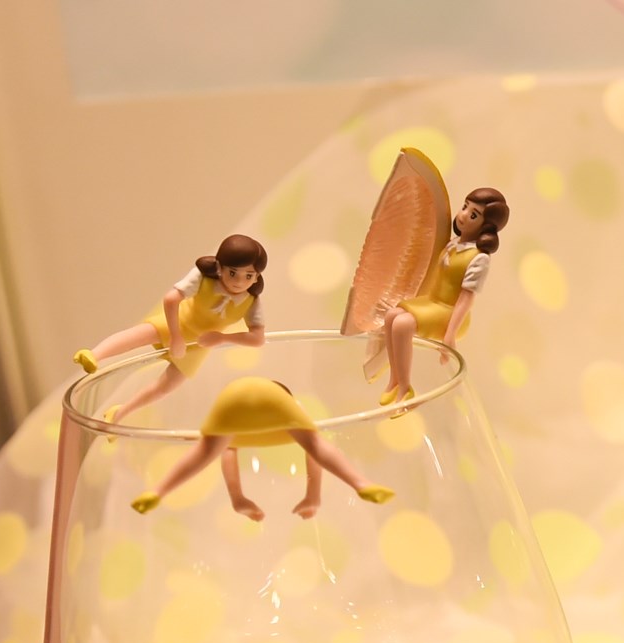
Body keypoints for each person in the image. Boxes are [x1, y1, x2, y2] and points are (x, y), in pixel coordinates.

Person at [129, 377, 392, 522]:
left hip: (231, 397)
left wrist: (237, 498)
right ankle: (361, 483)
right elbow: (314, 452)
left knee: (204, 453)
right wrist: (313, 494)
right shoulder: (289, 407)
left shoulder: (237, 431)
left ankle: (159, 490)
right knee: (314, 442)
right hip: (269, 398)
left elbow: (226, 454)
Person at [75, 236, 271, 424]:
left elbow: (257, 338)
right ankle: (94, 355)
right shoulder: (204, 278)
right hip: (177, 323)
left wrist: (222, 338)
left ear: (256, 278)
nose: (239, 281)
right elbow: (171, 299)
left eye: (248, 276)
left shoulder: (251, 302)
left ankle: (120, 412)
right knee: (135, 337)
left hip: (198, 344)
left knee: (165, 387)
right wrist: (176, 336)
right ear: (220, 268)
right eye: (233, 273)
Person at [381, 188, 509, 404]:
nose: (463, 215)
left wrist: (450, 334)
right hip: (431, 302)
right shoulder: (452, 243)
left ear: (486, 226)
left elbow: (466, 299)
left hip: (449, 311)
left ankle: (405, 387)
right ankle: (394, 379)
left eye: (473, 215)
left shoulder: (479, 259)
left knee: (403, 324)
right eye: (465, 207)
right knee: (391, 316)